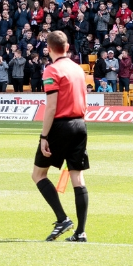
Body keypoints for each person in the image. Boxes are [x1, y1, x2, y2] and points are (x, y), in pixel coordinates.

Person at [32, 30, 90, 243]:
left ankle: (62, 218)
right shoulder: (78, 69)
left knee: (38, 175)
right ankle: (81, 232)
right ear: (67, 47)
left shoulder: (51, 71)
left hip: (60, 126)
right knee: (78, 177)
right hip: (80, 124)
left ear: (48, 49)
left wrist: (44, 136)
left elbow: (51, 107)